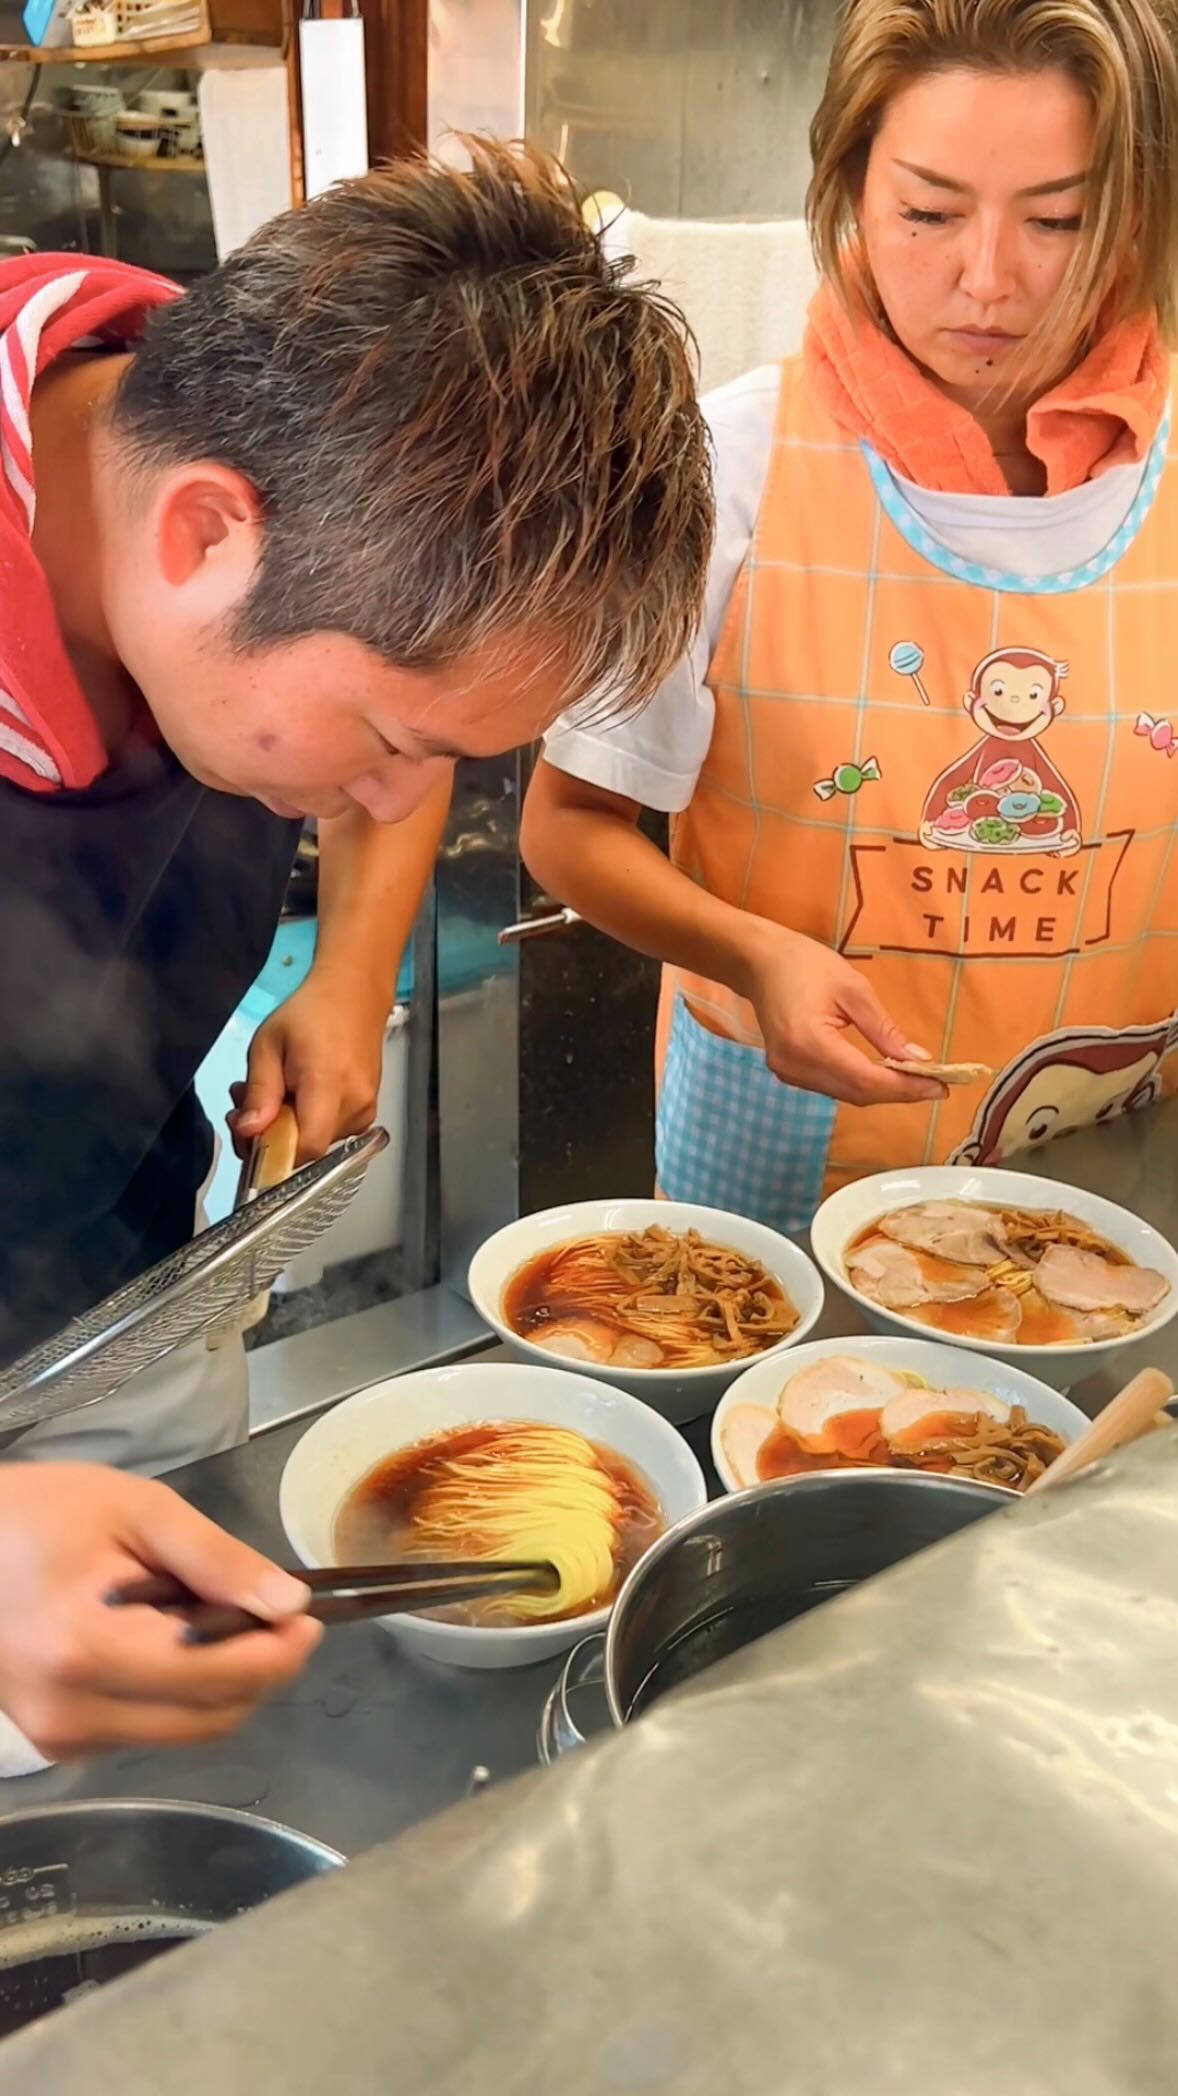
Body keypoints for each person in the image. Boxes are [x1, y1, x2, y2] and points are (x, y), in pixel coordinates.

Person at [0, 140, 712, 1750]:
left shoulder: (241, 432)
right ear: (200, 539)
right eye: (381, 733)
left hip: (119, 1285)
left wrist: (343, 978)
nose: (401, 792)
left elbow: (423, 737)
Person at [523, 0, 1178, 1236]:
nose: (986, 280)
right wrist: (755, 960)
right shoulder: (730, 464)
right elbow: (569, 828)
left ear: (1134, 214)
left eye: (1058, 220)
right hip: (789, 1164)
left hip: (1112, 1165)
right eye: (925, 213)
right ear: (847, 191)